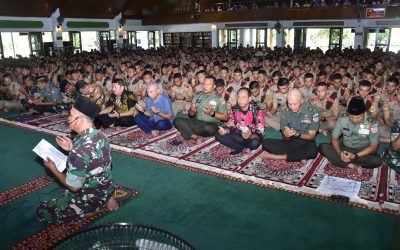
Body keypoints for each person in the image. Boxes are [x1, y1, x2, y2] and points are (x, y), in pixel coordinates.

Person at [37, 96, 117, 224]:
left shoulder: (80, 148)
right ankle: (107, 197)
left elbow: (74, 188)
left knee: (43, 211)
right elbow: (93, 158)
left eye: (71, 115)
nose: (68, 118)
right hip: (105, 187)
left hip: (91, 196)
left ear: (79, 120)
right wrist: (72, 148)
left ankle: (90, 210)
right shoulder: (100, 135)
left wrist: (53, 169)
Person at [319, 96, 382, 175]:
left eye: (358, 117)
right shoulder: (342, 118)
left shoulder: (372, 123)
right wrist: (339, 153)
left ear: (365, 113)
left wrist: (355, 156)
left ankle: (343, 161)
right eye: (351, 117)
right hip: (344, 148)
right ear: (348, 113)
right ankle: (350, 165)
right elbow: (334, 138)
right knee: (322, 147)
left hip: (362, 151)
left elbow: (374, 147)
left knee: (377, 161)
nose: (354, 120)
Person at [262, 88, 319, 162]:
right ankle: (299, 156)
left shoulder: (312, 112)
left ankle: (279, 157)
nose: (292, 107)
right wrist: (286, 135)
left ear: (301, 100)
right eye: (289, 104)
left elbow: (311, 137)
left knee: (313, 151)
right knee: (266, 143)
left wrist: (297, 134)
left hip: (306, 140)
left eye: (295, 104)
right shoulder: (285, 111)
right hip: (291, 141)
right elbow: (285, 137)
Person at [173, 75, 228, 144]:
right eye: (204, 84)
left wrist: (212, 113)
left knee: (207, 128)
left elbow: (225, 118)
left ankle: (187, 130)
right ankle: (195, 136)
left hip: (211, 124)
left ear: (214, 87)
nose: (205, 86)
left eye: (208, 84)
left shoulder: (219, 99)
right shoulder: (198, 96)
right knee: (177, 120)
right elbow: (191, 115)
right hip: (197, 122)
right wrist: (192, 110)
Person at [215, 88, 265, 155]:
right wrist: (225, 131)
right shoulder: (234, 109)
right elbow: (231, 125)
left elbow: (260, 131)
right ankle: (242, 148)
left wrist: (249, 136)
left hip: (251, 137)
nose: (240, 100)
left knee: (254, 143)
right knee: (218, 135)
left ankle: (238, 146)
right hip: (237, 135)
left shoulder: (257, 111)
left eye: (243, 97)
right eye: (239, 97)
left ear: (249, 99)